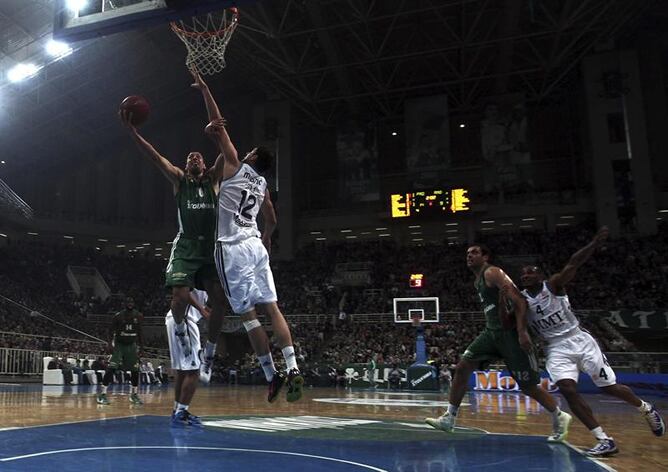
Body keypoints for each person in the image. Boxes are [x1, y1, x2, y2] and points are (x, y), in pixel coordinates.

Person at [118, 70, 228, 385]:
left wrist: (206, 95)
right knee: (178, 297)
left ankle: (209, 351)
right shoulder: (179, 180)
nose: (193, 157)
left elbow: (223, 138)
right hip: (187, 245)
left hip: (210, 248)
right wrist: (133, 133)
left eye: (197, 156)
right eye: (189, 156)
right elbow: (155, 158)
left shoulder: (213, 180)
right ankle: (180, 328)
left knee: (220, 299)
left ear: (205, 164)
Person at [520, 226, 665, 456]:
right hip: (555, 348)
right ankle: (604, 439)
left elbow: (573, 263)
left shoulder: (554, 285)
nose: (525, 275)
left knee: (609, 387)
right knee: (567, 389)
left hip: (579, 339)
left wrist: (595, 243)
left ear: (540, 275)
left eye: (530, 272)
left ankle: (645, 408)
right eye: (523, 274)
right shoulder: (521, 300)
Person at [426, 244, 572, 441]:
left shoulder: (492, 272)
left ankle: (559, 415)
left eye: (475, 253)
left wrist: (521, 332)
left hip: (510, 335)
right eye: (467, 254)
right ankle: (449, 418)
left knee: (528, 386)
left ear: (485, 256)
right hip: (491, 332)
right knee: (462, 367)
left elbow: (521, 301)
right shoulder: (477, 280)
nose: (469, 256)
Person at [206, 117, 304, 403]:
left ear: (252, 156)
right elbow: (272, 219)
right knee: (272, 308)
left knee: (248, 315)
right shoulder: (262, 185)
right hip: (255, 245)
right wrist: (268, 237)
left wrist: (203, 89)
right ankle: (293, 366)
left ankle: (272, 374)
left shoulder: (235, 166)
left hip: (232, 247)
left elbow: (220, 124)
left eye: (249, 151)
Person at [166, 288, 209, 427]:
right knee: (194, 371)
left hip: (176, 318)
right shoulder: (196, 269)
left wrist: (203, 308)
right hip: (184, 319)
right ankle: (181, 412)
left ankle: (177, 410)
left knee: (182, 370)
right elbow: (182, 292)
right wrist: (202, 309)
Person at [97, 297, 144, 405]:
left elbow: (140, 332)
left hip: (131, 345)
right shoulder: (118, 316)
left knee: (135, 371)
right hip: (119, 345)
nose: (130, 304)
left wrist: (142, 348)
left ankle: (134, 394)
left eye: (132, 302)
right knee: (112, 368)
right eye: (128, 302)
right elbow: (109, 331)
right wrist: (109, 344)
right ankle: (102, 394)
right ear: (124, 304)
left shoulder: (139, 316)